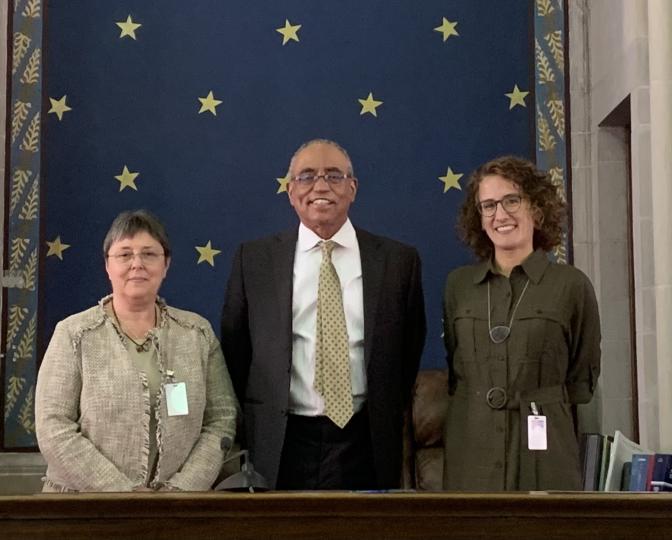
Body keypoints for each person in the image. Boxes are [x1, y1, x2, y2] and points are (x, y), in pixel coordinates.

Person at [221, 139, 426, 490]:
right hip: (283, 438)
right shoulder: (253, 260)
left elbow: (408, 350)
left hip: (366, 438)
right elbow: (236, 350)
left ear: (352, 188)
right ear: (290, 191)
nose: (320, 186)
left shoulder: (397, 261)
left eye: (334, 175)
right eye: (306, 176)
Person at [35, 210, 237, 492]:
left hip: (177, 509)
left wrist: (182, 489)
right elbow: (52, 427)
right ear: (107, 265)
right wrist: (121, 492)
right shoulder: (74, 333)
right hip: (82, 506)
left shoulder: (197, 334)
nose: (137, 264)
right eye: (125, 254)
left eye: (149, 254)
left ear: (166, 264)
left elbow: (222, 419)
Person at [443, 156, 601, 491]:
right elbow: (455, 368)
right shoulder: (458, 286)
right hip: (471, 450)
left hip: (546, 452)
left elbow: (580, 378)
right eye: (488, 205)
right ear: (479, 218)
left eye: (511, 200)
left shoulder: (571, 285)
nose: (500, 214)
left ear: (538, 209)